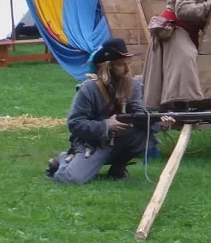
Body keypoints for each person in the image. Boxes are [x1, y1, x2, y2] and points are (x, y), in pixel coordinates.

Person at [45, 38, 174, 184]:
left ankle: (117, 168)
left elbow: (140, 117)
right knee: (71, 179)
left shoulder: (134, 86)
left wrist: (160, 124)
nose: (126, 70)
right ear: (107, 66)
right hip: (92, 143)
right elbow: (74, 124)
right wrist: (106, 125)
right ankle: (63, 159)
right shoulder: (89, 89)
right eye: (120, 65)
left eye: (127, 64)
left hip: (120, 140)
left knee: (143, 134)